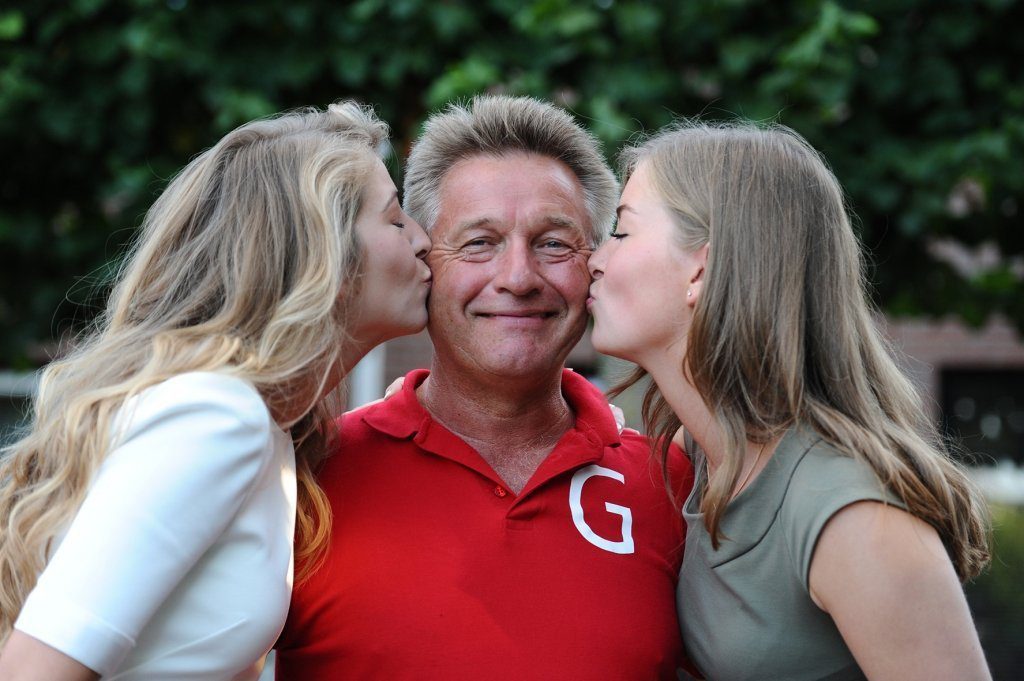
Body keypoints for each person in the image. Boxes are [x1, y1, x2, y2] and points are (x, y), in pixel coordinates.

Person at [0, 102, 432, 680]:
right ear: (322, 253)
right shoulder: (218, 417)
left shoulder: (270, 430)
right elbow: (34, 670)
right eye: (397, 218)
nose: (424, 240)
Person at [275, 95, 694, 680]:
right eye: (479, 243)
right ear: (423, 258)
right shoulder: (304, 474)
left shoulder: (675, 485)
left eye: (553, 243)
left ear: (595, 265)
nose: (518, 278)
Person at [586, 120, 992, 680]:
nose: (594, 259)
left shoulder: (854, 517)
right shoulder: (701, 456)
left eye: (622, 232)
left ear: (701, 269)